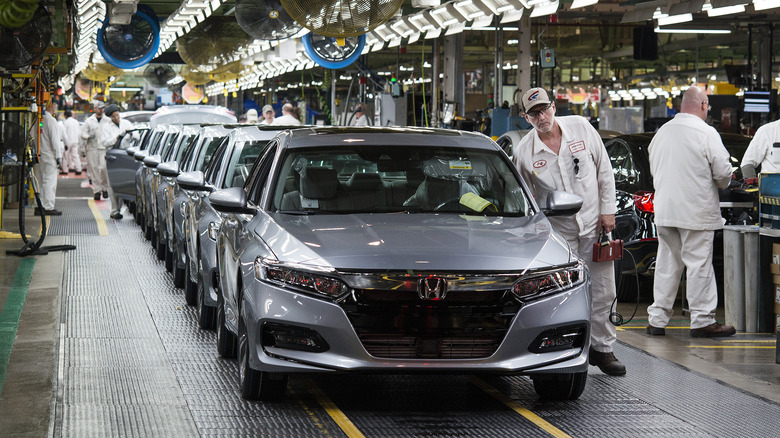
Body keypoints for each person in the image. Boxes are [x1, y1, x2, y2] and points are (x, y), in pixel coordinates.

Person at [513, 87, 625, 376]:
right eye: (534, 114)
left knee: (603, 289)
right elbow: (523, 197)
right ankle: (567, 350)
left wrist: (608, 211)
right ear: (525, 118)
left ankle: (603, 350)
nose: (542, 117)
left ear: (554, 106)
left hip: (594, 226)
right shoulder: (524, 153)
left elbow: (604, 170)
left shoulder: (581, 128)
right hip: (559, 235)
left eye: (545, 109)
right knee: (564, 294)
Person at [646, 86, 736, 338]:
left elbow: (655, 169)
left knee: (666, 264)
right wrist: (725, 182)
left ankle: (657, 320)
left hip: (665, 211)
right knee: (699, 266)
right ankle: (702, 320)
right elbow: (722, 172)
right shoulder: (706, 133)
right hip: (695, 212)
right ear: (704, 105)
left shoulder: (661, 133)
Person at [101, 105, 134, 219]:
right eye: (114, 116)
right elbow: (105, 143)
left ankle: (122, 208)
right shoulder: (105, 127)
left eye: (117, 115)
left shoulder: (127, 123)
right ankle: (115, 210)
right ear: (110, 117)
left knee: (123, 182)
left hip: (125, 156)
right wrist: (117, 137)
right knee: (112, 183)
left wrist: (131, 135)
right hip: (113, 157)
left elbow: (137, 136)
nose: (117, 118)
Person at [31, 104, 64, 215]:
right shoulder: (51, 120)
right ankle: (48, 207)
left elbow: (31, 136)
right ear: (51, 105)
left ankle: (38, 206)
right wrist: (58, 157)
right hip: (49, 157)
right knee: (49, 182)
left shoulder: (37, 119)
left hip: (38, 156)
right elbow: (55, 140)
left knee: (39, 182)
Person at [81, 100, 109, 200]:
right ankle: (97, 190)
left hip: (103, 148)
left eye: (102, 108)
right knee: (94, 169)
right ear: (95, 108)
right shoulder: (89, 121)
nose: (101, 110)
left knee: (104, 169)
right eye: (99, 108)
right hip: (92, 148)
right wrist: (88, 136)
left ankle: (105, 188)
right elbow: (82, 133)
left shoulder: (107, 120)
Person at [60, 110, 82, 175]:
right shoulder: (76, 121)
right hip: (75, 141)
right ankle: (79, 169)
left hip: (68, 141)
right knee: (75, 156)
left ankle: (65, 170)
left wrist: (64, 142)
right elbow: (79, 132)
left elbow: (64, 133)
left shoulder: (65, 122)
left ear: (65, 115)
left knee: (65, 156)